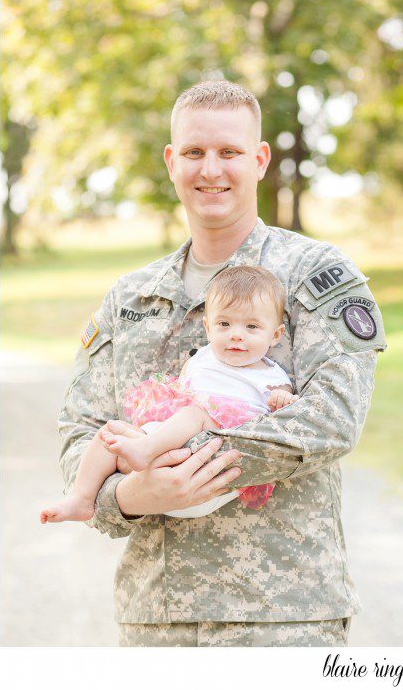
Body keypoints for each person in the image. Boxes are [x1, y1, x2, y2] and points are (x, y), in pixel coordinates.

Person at [58, 78, 386, 647]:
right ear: (171, 162)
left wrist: (188, 469)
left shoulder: (314, 275)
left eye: (229, 152)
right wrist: (132, 498)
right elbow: (81, 431)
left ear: (259, 160)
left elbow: (332, 418)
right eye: (194, 152)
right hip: (156, 616)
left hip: (282, 614)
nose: (211, 169)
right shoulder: (130, 297)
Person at [42, 265, 296, 524]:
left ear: (275, 335)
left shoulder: (271, 377)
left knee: (196, 412)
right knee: (109, 433)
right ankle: (81, 498)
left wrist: (282, 400)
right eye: (224, 323)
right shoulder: (203, 357)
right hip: (164, 462)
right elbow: (183, 390)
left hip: (210, 472)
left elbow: (284, 407)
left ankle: (143, 450)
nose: (236, 335)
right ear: (208, 328)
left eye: (251, 327)